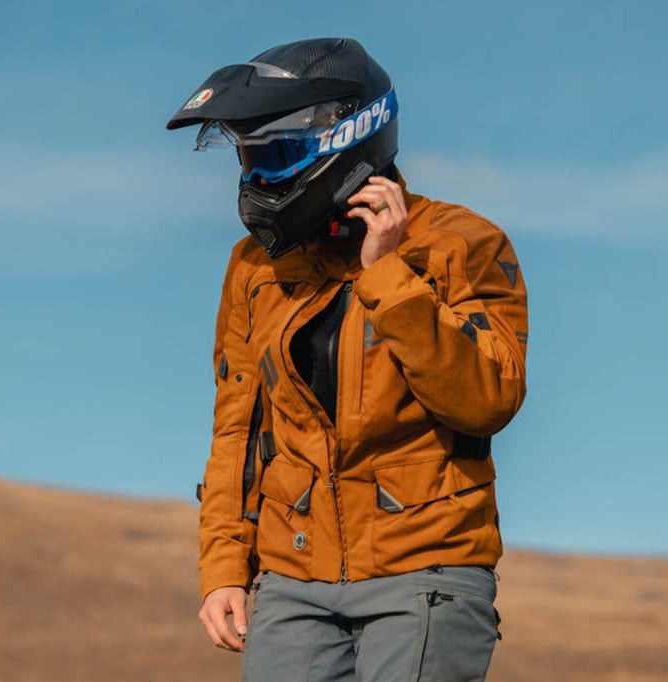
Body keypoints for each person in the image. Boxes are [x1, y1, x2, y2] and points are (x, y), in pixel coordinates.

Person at [166, 37, 528, 681]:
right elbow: (238, 431)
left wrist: (388, 275)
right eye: (249, 159)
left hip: (426, 573)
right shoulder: (254, 268)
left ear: (348, 140)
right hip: (291, 580)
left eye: (275, 156)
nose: (257, 178)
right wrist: (224, 567)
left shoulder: (460, 243)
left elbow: (486, 400)